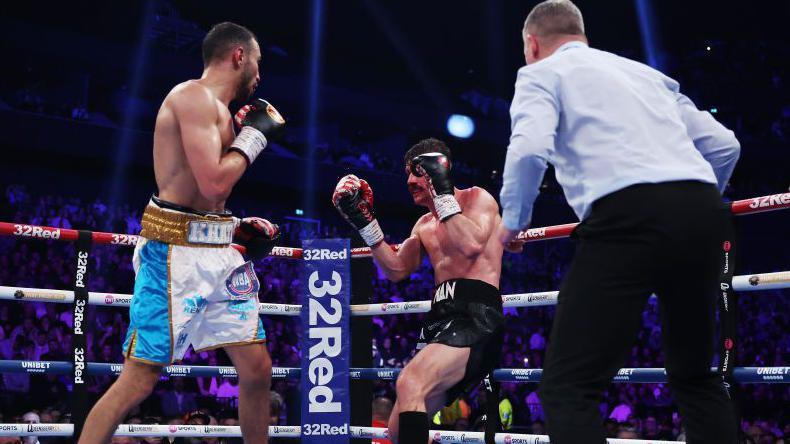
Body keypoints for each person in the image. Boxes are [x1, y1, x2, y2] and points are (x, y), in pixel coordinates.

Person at [497, 1, 741, 442]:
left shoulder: (540, 74)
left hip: (626, 219)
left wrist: (512, 225)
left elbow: (530, 150)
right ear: (581, 34)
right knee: (695, 376)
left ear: (532, 44)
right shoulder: (645, 75)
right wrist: (694, 203)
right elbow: (724, 147)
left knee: (568, 387)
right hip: (704, 215)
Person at [78, 21, 285, 443]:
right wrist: (254, 139)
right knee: (138, 379)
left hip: (219, 253)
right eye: (258, 62)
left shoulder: (223, 114)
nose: (260, 75)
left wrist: (236, 226)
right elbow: (213, 182)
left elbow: (208, 199)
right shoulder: (191, 97)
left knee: (258, 369)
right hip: (173, 255)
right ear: (238, 56)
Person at [333, 138, 505, 444]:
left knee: (410, 381)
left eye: (418, 172)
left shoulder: (477, 199)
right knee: (399, 429)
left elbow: (472, 244)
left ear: (438, 170)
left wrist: (444, 193)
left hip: (475, 315)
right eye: (408, 173)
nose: (410, 181)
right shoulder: (423, 224)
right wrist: (366, 223)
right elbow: (397, 270)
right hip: (440, 320)